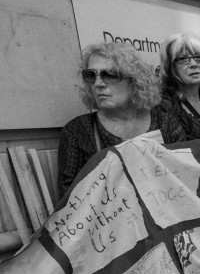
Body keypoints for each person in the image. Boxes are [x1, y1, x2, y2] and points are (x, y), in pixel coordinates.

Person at [58, 42, 185, 195]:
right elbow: (70, 199)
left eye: (110, 74)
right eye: (91, 75)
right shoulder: (78, 131)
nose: (98, 84)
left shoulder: (166, 125)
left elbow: (184, 180)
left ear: (135, 81)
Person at [159, 33, 200, 141]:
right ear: (170, 67)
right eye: (183, 59)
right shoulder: (165, 108)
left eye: (198, 57)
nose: (193, 64)